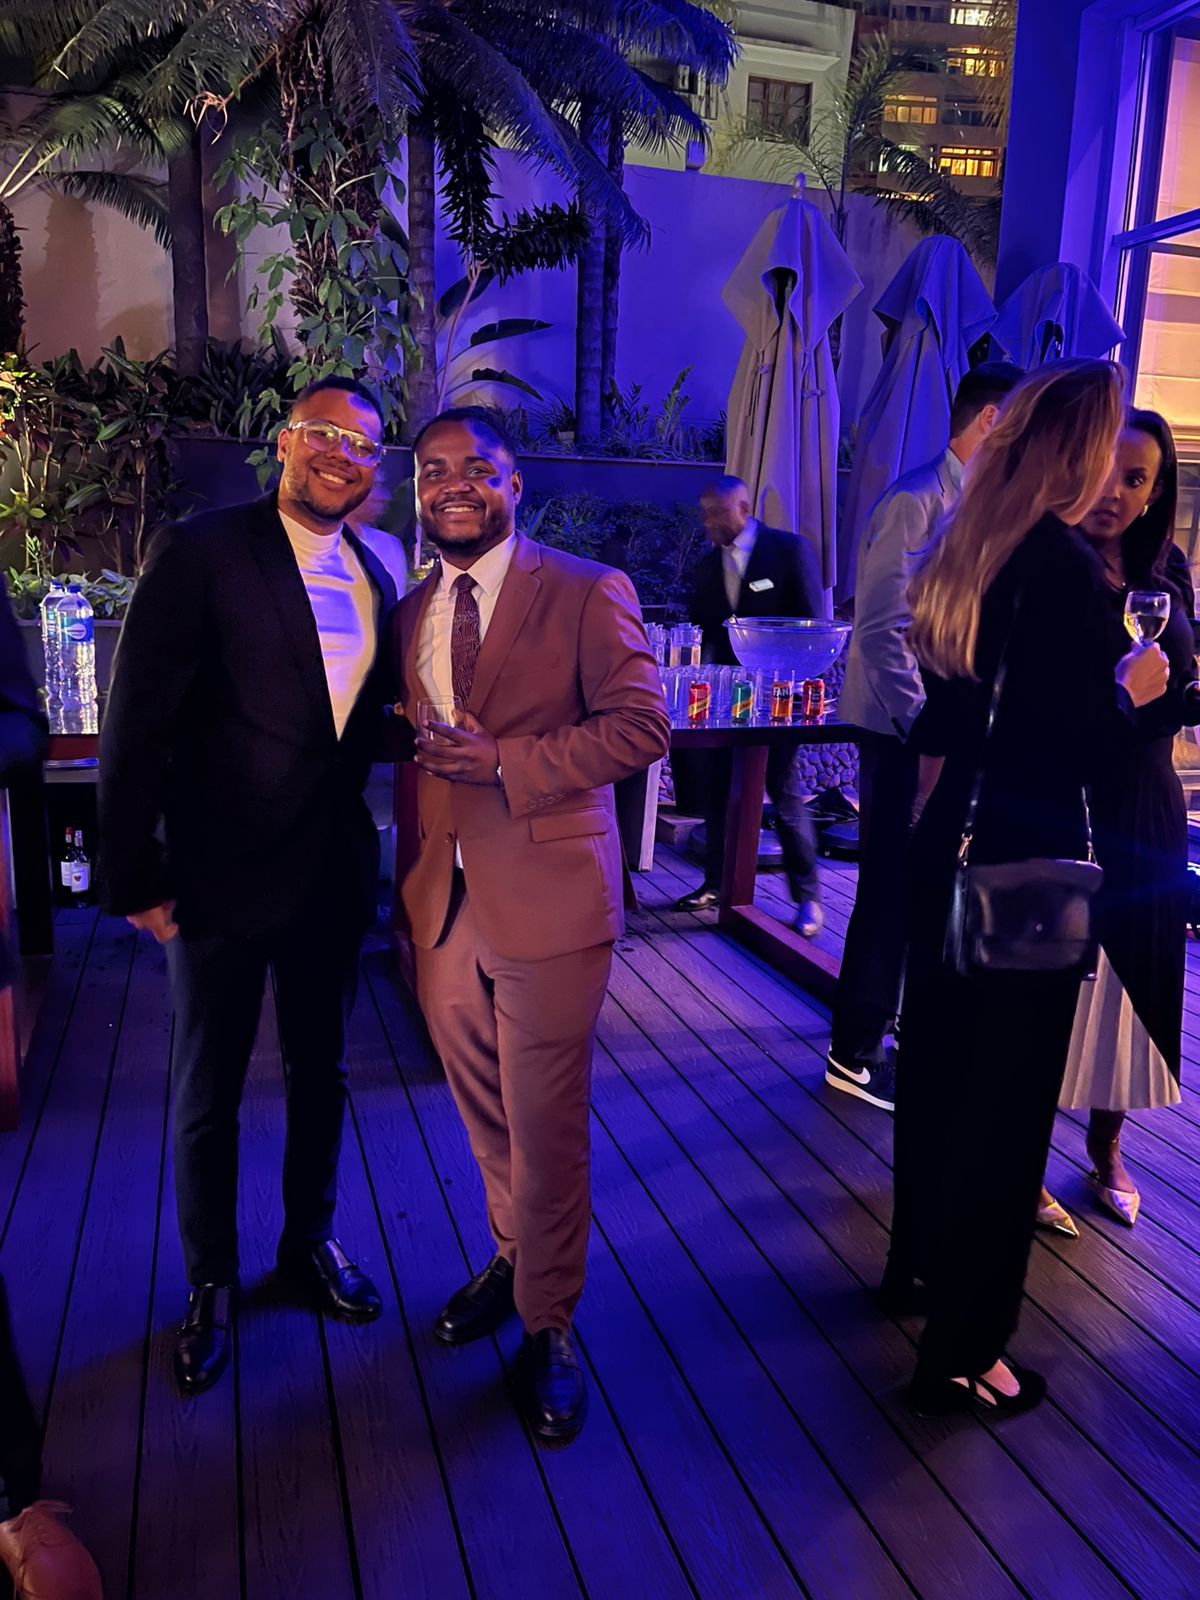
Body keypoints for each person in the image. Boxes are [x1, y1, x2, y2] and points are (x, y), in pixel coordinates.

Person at [99, 376, 400, 1396]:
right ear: (284, 442)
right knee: (208, 1090)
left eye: (362, 444)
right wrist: (134, 871)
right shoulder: (203, 550)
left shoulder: (376, 572)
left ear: (374, 466)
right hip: (216, 873)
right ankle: (211, 1281)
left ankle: (307, 1243)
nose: (341, 454)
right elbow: (134, 720)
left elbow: (359, 723)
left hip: (330, 873)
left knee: (324, 1073)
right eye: (324, 433)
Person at [885, 360, 1169, 1419]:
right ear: (1079, 452)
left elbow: (949, 715)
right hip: (1029, 865)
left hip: (946, 845)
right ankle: (968, 1354)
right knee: (1005, 1115)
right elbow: (1077, 748)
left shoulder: (970, 542)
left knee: (938, 1080)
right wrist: (1136, 692)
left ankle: (916, 1271)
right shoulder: (1062, 570)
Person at [391, 407, 668, 1444]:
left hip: (551, 893)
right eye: (433, 471)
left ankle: (550, 1319)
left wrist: (507, 763)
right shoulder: (412, 606)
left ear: (515, 484)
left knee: (546, 1119)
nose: (453, 484)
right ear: (419, 492)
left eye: (477, 467)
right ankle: (515, 1259)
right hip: (443, 898)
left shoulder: (588, 589)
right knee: (483, 1109)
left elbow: (641, 726)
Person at [830, 362, 1023, 1111]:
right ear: (990, 421)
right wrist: (928, 732)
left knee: (923, 884)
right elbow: (882, 632)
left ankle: (897, 1025)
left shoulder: (977, 507)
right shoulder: (915, 502)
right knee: (887, 885)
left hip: (939, 732)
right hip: (900, 731)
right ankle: (854, 1051)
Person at [1054, 410, 1196, 1229]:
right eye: (1105, 470)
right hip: (1069, 799)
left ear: (1155, 490)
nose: (1114, 491)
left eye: (1135, 478)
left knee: (1138, 980)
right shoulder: (1051, 566)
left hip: (1148, 802)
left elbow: (1175, 686)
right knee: (1054, 981)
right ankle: (1022, 1150)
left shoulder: (1166, 569)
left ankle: (1107, 1145)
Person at [672, 476, 825, 936]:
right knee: (719, 791)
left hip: (779, 699)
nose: (708, 523)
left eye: (716, 513)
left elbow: (812, 624)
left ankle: (809, 898)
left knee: (784, 790)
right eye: (704, 514)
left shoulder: (787, 551)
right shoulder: (706, 568)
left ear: (742, 508)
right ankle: (716, 883)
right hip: (727, 702)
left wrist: (797, 694)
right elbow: (704, 637)